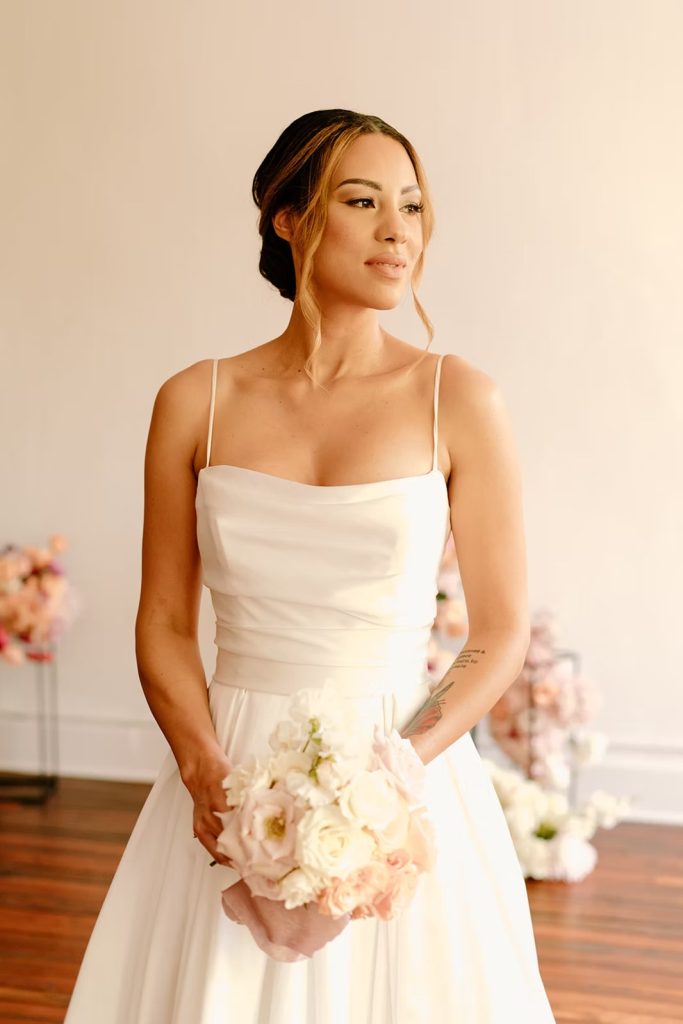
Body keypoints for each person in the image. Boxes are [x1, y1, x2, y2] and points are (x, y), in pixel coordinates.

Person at [64, 108, 557, 1022]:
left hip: (405, 764)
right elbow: (166, 620)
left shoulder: (462, 399)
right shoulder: (194, 401)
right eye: (363, 201)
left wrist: (390, 777)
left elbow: (498, 632)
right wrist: (205, 772)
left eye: (410, 206)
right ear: (288, 218)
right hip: (234, 769)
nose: (396, 230)